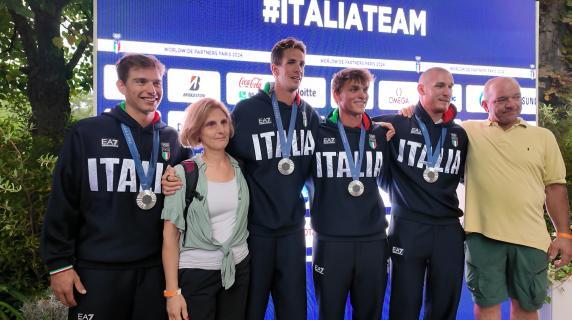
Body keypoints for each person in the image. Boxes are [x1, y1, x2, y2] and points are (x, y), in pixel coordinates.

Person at [40, 54, 188, 320]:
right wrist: (59, 264)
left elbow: (185, 205)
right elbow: (64, 200)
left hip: (153, 273)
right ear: (121, 86)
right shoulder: (87, 133)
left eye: (156, 82)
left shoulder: (172, 140)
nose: (151, 90)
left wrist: (179, 184)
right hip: (98, 272)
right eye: (140, 81)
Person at [463, 76, 572, 320]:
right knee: (486, 306)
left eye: (516, 98)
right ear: (485, 105)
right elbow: (429, 124)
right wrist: (407, 112)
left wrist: (564, 235)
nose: (511, 104)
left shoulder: (543, 137)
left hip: (531, 239)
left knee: (526, 307)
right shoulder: (467, 131)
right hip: (483, 237)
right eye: (502, 99)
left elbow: (555, 188)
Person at [227, 37, 320, 319]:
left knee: (294, 312)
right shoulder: (246, 111)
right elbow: (222, 160)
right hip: (255, 233)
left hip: (292, 233)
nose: (298, 69)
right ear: (274, 68)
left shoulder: (309, 115)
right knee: (250, 310)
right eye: (291, 62)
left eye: (302, 64)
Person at [377, 67, 468, 319]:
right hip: (408, 227)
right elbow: (346, 122)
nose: (447, 91)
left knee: (444, 307)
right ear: (421, 89)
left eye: (450, 86)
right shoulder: (396, 123)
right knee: (404, 307)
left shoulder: (460, 135)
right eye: (440, 85)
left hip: (449, 230)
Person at [309, 68, 391, 319]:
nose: (362, 95)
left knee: (370, 314)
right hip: (331, 243)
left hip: (373, 242)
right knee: (330, 314)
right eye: (354, 89)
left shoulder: (379, 134)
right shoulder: (317, 133)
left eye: (365, 89)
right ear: (336, 95)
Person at [161, 98, 250, 320]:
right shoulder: (183, 173)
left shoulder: (242, 168)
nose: (220, 130)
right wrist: (172, 293)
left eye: (223, 122)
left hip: (238, 271)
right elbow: (170, 236)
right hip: (196, 275)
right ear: (197, 131)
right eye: (211, 124)